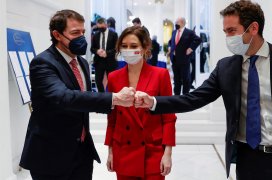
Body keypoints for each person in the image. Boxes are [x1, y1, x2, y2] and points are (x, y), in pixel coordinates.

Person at [135, 1, 272, 180]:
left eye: (232, 31)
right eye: (225, 32)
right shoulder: (226, 68)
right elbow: (193, 98)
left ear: (253, 28)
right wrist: (154, 102)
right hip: (246, 158)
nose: (228, 37)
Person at [19, 9, 135, 180]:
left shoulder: (81, 62)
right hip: (51, 155)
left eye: (83, 32)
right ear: (57, 35)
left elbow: (84, 100)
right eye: (75, 33)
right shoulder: (43, 63)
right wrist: (114, 98)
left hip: (81, 152)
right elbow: (64, 97)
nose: (82, 37)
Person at [105, 26, 176, 180]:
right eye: (124, 46)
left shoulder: (160, 75)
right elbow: (112, 118)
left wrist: (168, 153)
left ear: (145, 48)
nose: (128, 50)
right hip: (123, 150)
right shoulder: (113, 77)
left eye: (134, 46)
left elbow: (169, 117)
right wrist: (110, 151)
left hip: (152, 151)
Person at [168, 17, 201, 95]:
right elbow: (170, 41)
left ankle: (185, 96)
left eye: (177, 22)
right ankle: (176, 96)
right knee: (176, 79)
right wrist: (170, 48)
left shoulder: (189, 32)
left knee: (185, 79)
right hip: (174, 59)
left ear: (182, 22)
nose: (175, 23)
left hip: (184, 60)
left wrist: (191, 48)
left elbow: (198, 40)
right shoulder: (174, 32)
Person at [91, 17, 118, 92]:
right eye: (99, 27)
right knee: (98, 81)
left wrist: (107, 53)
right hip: (99, 61)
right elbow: (92, 48)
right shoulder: (96, 35)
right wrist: (97, 51)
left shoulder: (114, 34)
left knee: (112, 81)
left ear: (106, 25)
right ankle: (102, 96)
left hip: (110, 61)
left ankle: (111, 97)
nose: (100, 29)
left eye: (102, 27)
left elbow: (116, 49)